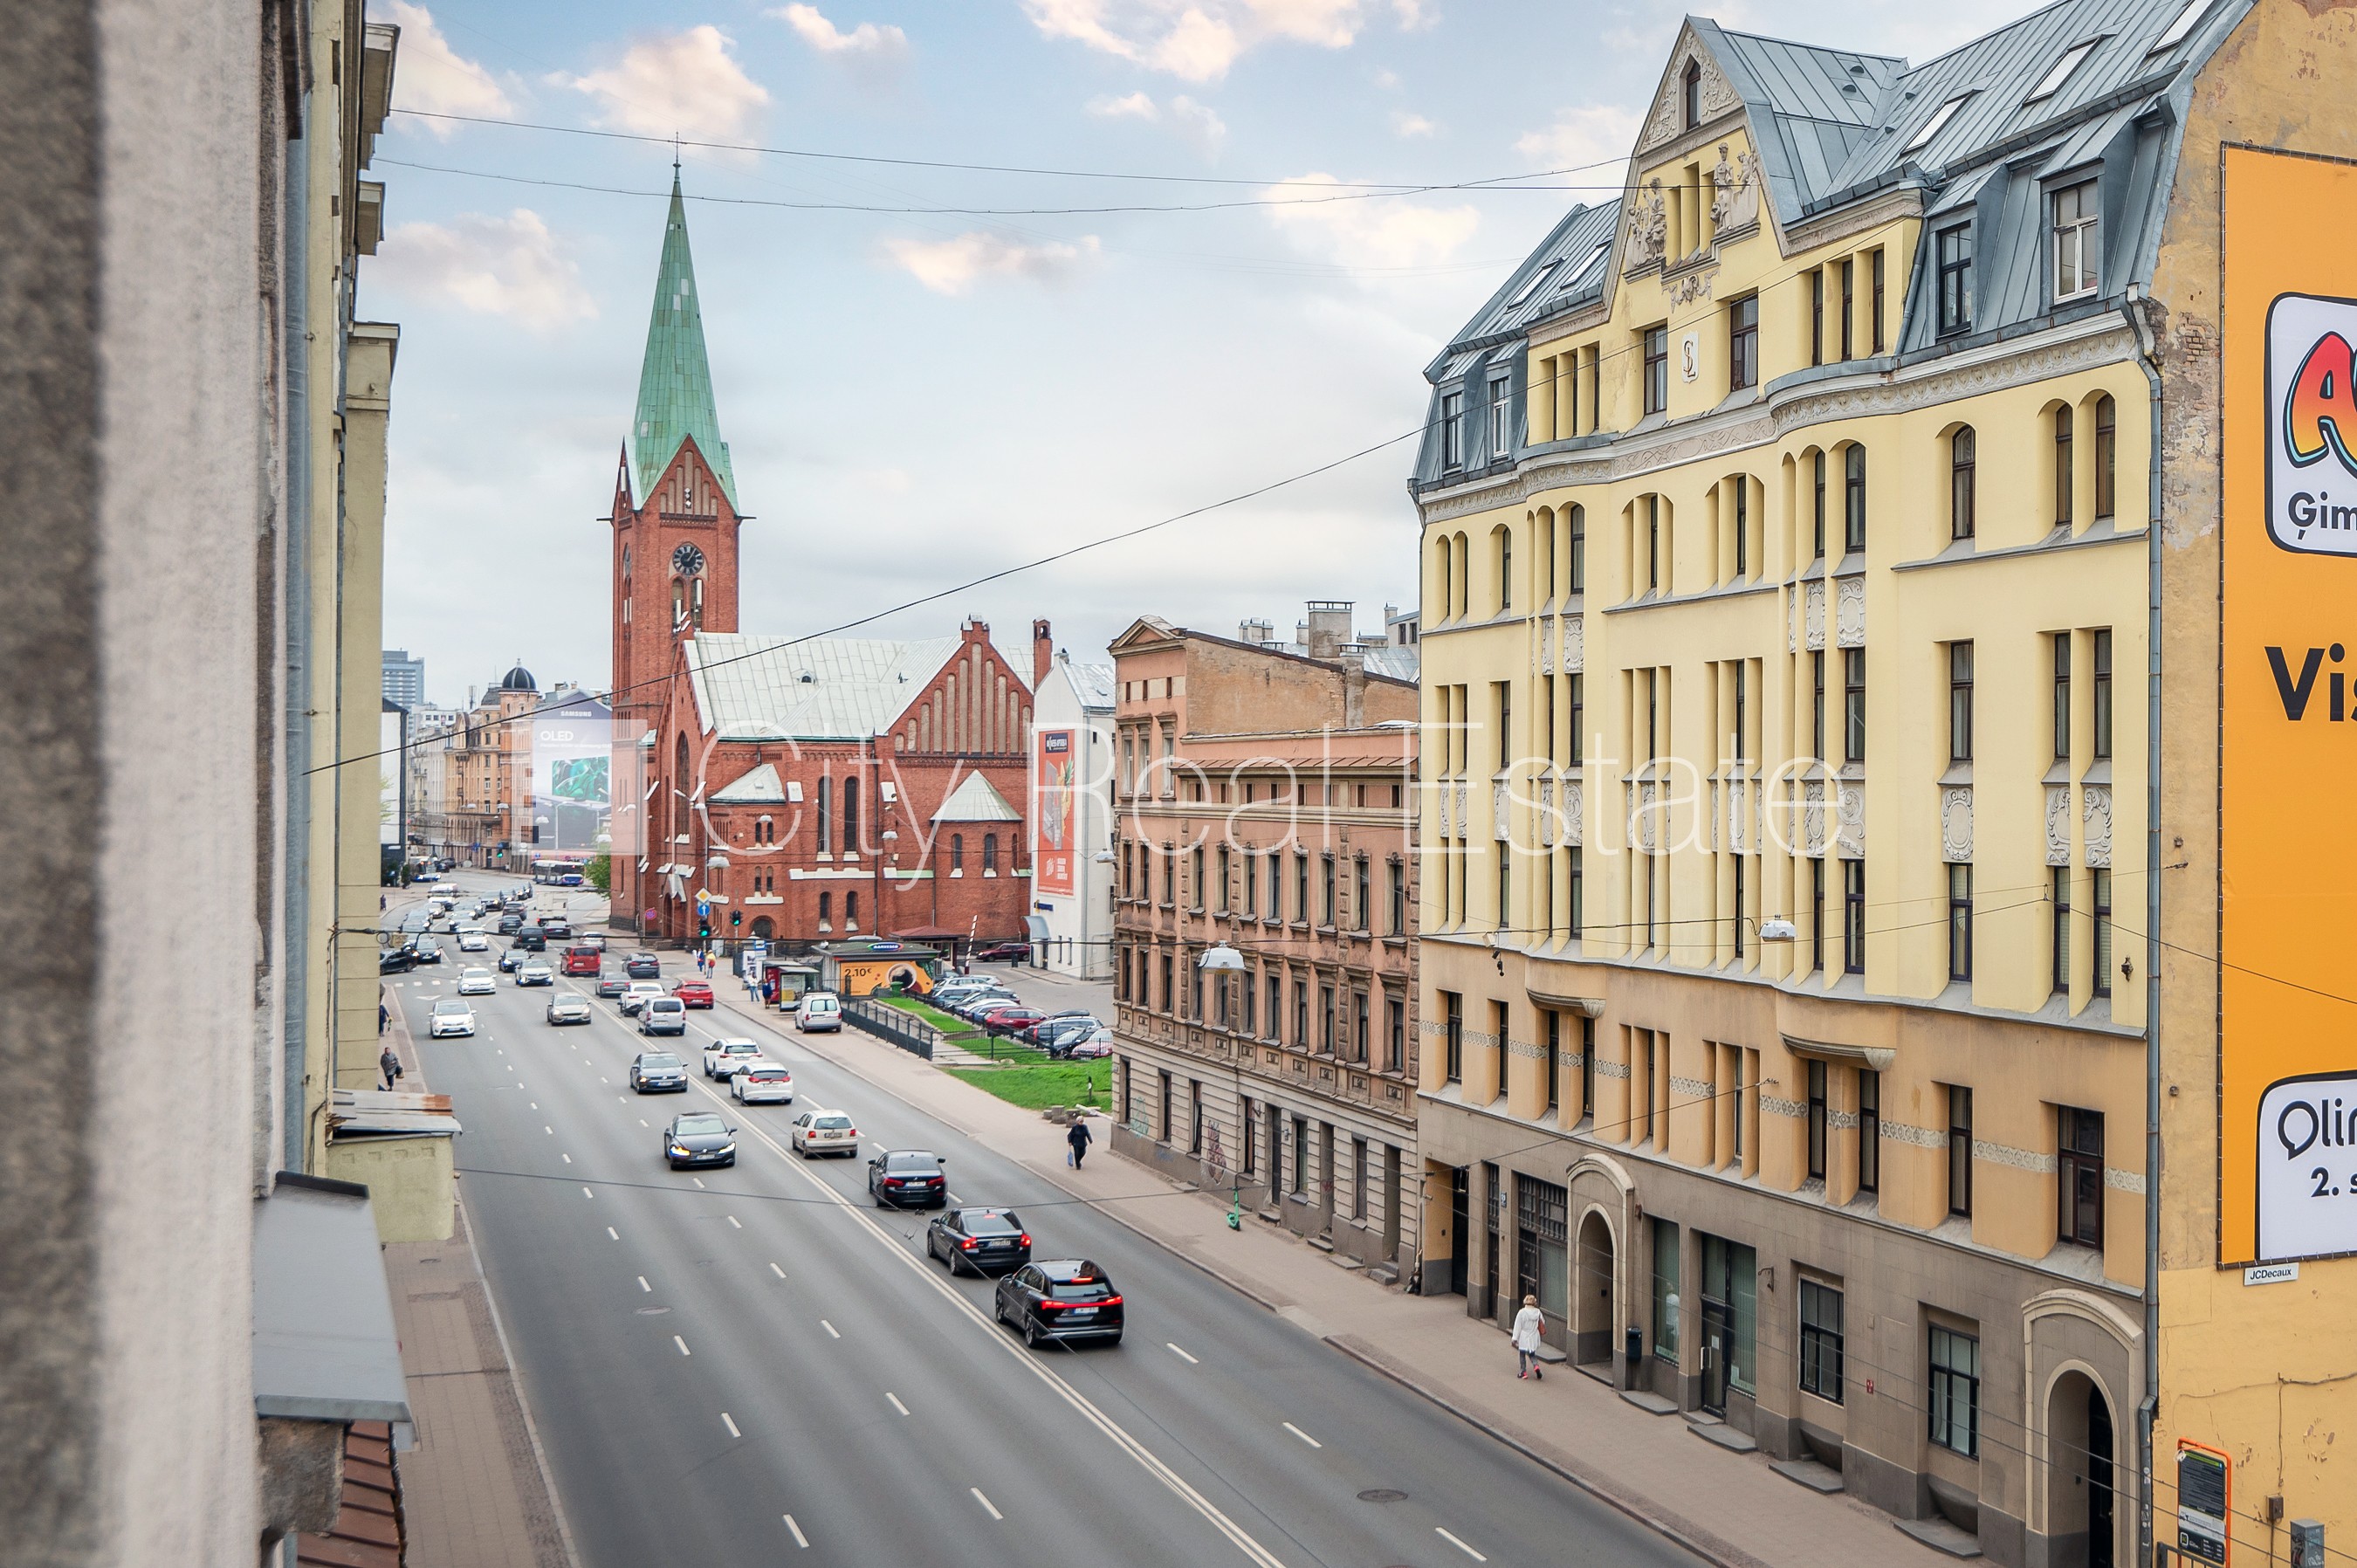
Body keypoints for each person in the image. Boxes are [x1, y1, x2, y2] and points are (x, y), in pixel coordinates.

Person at [1512, 1294, 1547, 1380]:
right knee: (1532, 1354)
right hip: (1534, 1336)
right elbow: (1543, 1322)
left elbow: (1518, 1326)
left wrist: (1514, 1338)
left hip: (1524, 1336)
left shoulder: (1522, 1312)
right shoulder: (1538, 1312)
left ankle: (1523, 1372)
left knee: (1522, 1354)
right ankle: (1536, 1366)